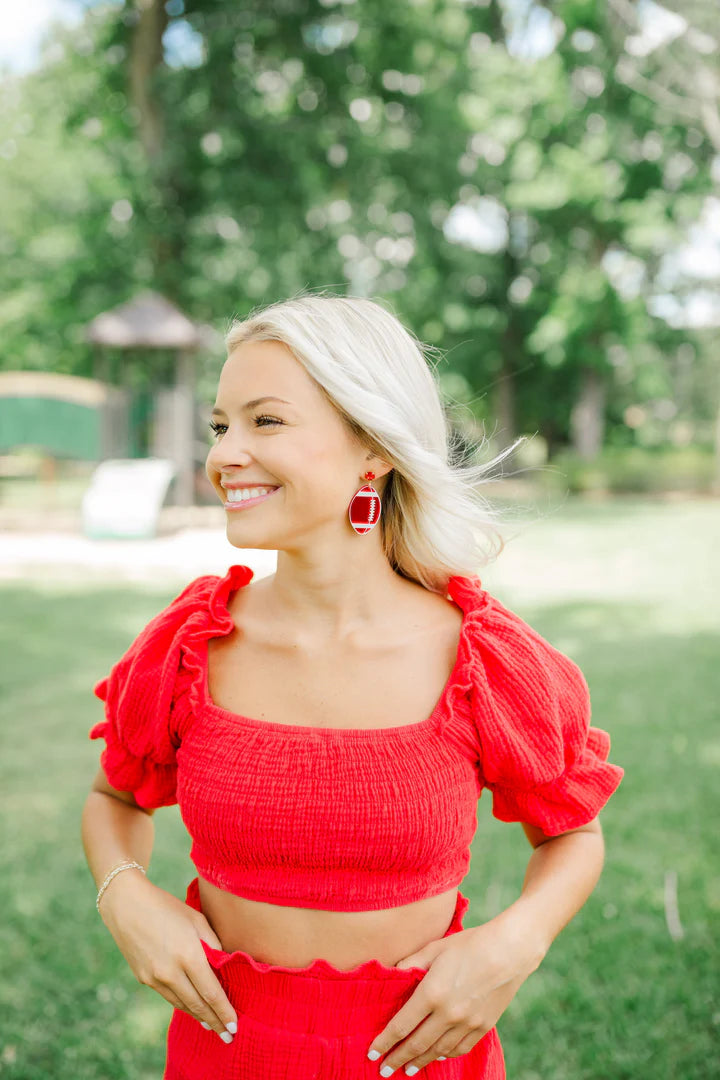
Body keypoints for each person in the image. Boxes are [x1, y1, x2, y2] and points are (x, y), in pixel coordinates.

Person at [81, 292, 624, 1080]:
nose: (226, 453)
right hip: (225, 1055)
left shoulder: (480, 658)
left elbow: (573, 832)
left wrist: (514, 944)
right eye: (220, 425)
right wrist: (125, 895)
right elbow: (114, 799)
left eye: (266, 422)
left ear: (373, 446)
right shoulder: (190, 645)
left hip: (418, 1057)